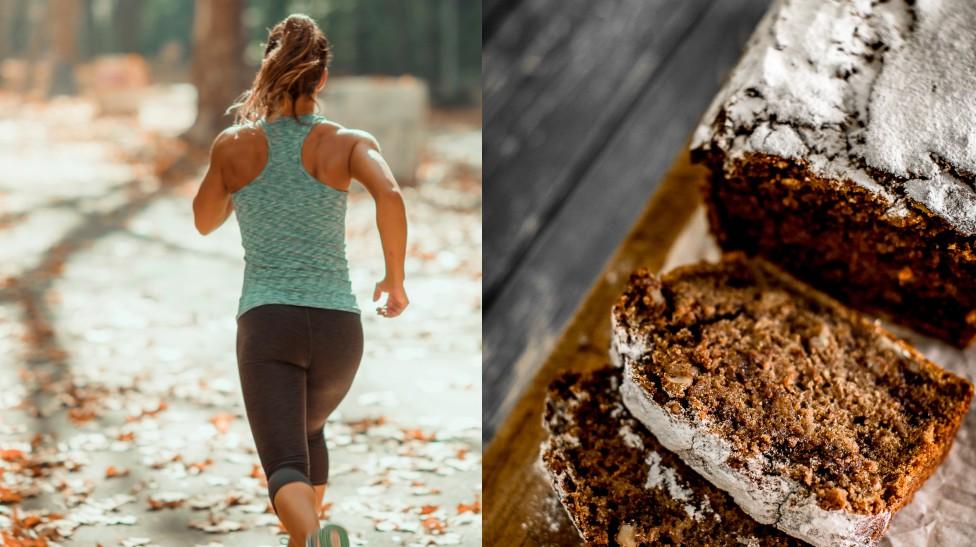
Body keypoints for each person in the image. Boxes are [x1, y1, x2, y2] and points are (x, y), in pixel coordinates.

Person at [191, 14, 408, 547]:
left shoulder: (234, 144)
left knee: (284, 463)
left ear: (266, 72)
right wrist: (394, 280)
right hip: (338, 330)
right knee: (310, 433)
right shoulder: (349, 142)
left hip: (268, 323)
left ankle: (313, 536)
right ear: (323, 78)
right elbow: (391, 196)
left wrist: (238, 178)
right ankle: (306, 539)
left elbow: (204, 220)